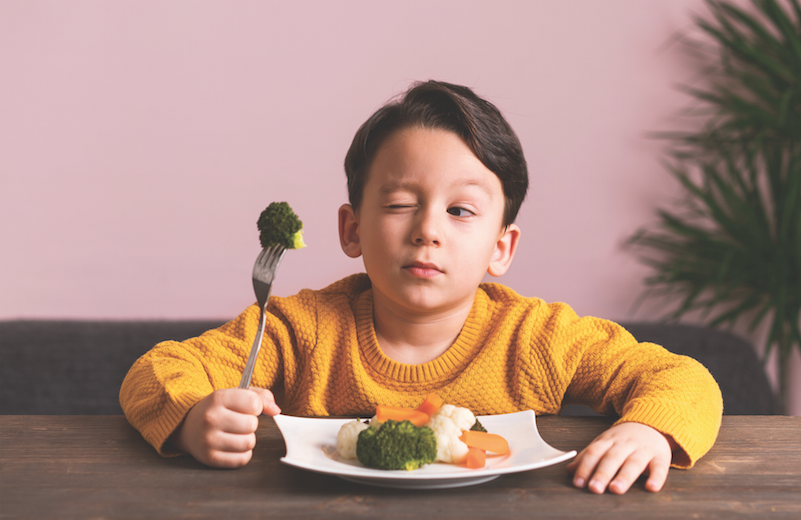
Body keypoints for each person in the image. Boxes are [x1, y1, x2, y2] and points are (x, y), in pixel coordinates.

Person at [120, 80, 722, 495]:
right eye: (402, 203)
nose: (428, 230)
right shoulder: (296, 330)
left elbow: (681, 378)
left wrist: (649, 428)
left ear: (501, 248)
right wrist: (194, 417)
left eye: (461, 212)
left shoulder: (537, 338)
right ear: (351, 229)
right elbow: (160, 369)